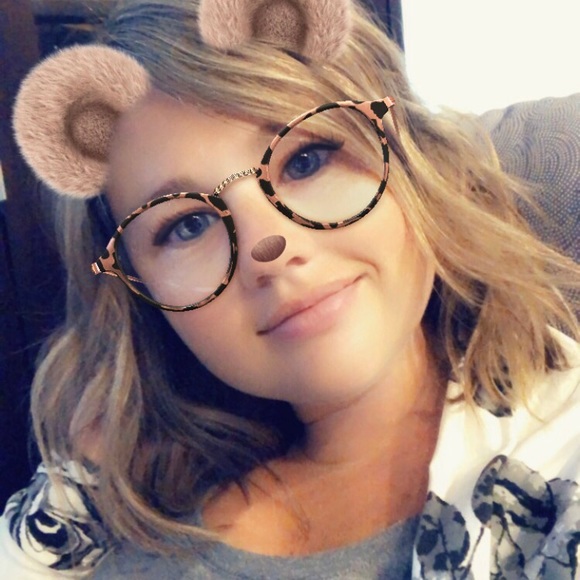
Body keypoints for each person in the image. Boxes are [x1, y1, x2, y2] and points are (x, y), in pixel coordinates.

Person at [1, 0, 579, 577]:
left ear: (410, 159)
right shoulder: (111, 496)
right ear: (138, 295)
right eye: (188, 225)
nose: (267, 246)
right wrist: (86, 476)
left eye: (306, 160)